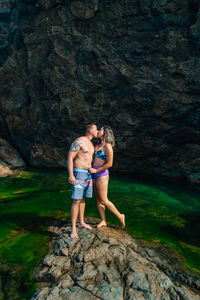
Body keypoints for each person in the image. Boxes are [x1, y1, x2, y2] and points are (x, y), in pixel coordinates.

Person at [89, 126, 125, 228]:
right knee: (98, 199)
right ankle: (103, 220)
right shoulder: (97, 144)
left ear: (105, 133)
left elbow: (109, 164)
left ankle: (120, 216)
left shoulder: (107, 146)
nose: (99, 131)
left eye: (100, 129)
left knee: (104, 199)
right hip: (93, 173)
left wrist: (96, 170)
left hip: (101, 174)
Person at [67, 123, 98, 238]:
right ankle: (73, 229)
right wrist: (71, 175)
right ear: (90, 129)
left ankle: (81, 222)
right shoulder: (79, 141)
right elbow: (70, 158)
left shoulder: (91, 143)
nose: (97, 130)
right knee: (76, 200)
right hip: (78, 173)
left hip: (88, 174)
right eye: (95, 128)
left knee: (83, 199)